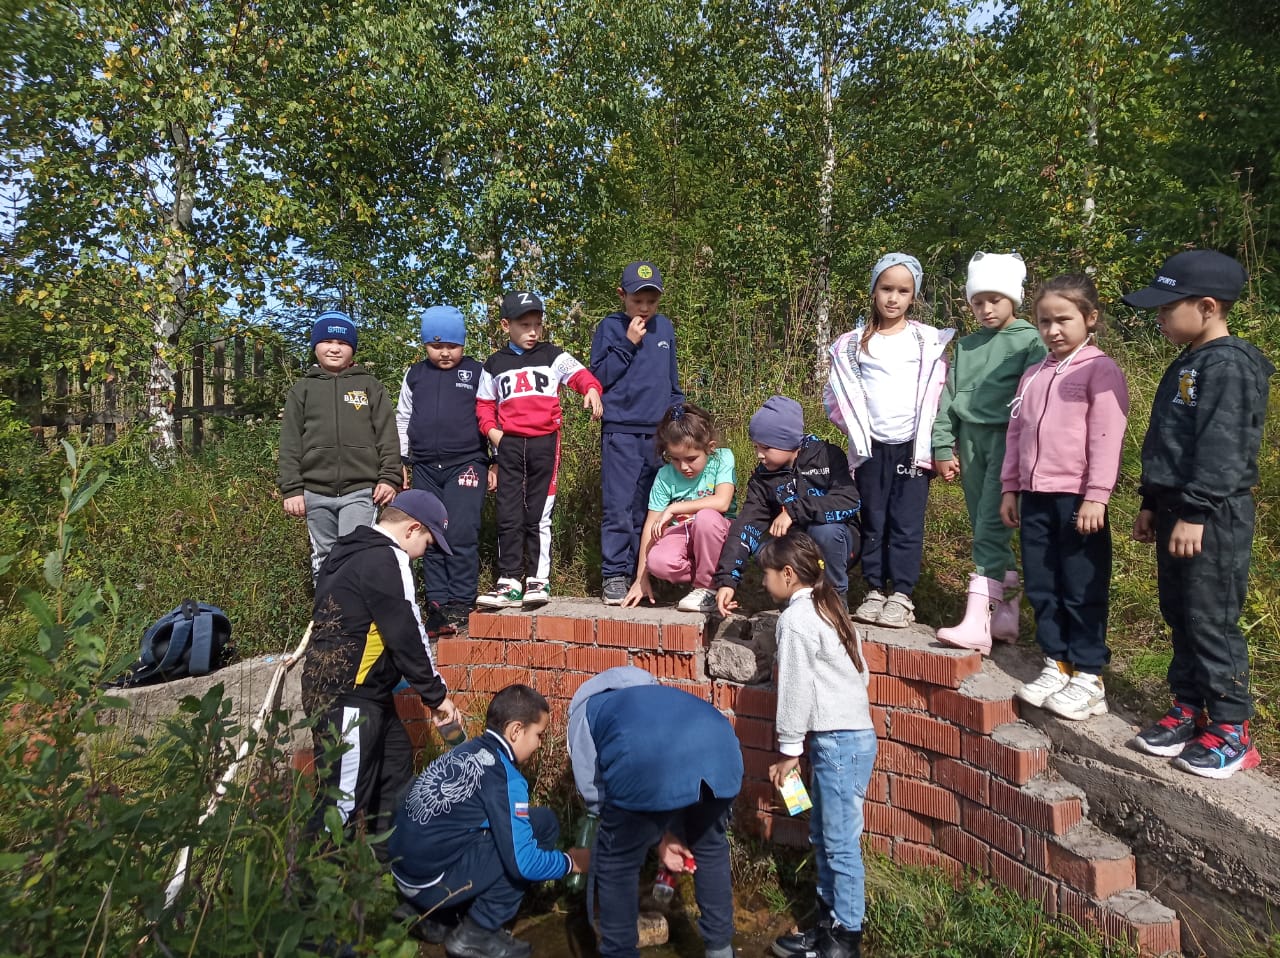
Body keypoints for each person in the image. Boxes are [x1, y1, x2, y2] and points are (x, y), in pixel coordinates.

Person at [1122, 250, 1273, 779]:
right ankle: (1190, 707)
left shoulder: (1230, 365)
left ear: (1207, 307)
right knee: (1180, 611)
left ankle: (1232, 729)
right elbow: (1169, 442)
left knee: (1211, 617)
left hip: (1212, 515)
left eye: (1168, 308)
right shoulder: (1189, 360)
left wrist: (1196, 511)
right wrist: (1150, 501)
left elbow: (1222, 448)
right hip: (1175, 507)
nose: (1160, 317)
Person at [999, 275, 1129, 720]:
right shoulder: (1033, 374)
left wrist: (1097, 496)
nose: (1053, 330)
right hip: (1034, 497)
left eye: (1063, 320)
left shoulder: (1099, 370)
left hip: (1077, 499)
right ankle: (1057, 663)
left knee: (1081, 587)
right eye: (1044, 322)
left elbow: (1107, 437)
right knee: (1042, 585)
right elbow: (1016, 433)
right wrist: (1010, 487)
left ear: (1090, 318)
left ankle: (1089, 677)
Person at [302, 489, 460, 842]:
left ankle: (385, 868)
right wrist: (436, 696)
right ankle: (311, 874)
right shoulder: (388, 558)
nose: (425, 553)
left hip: (360, 695)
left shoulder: (347, 553)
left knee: (394, 778)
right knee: (340, 803)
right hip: (349, 698)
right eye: (428, 542)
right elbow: (406, 631)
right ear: (412, 528)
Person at [388, 684, 589, 957]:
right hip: (430, 884)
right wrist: (572, 862)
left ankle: (436, 917)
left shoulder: (467, 750)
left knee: (539, 821)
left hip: (405, 875)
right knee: (533, 837)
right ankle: (478, 932)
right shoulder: (505, 779)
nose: (540, 744)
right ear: (516, 731)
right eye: (538, 735)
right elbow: (524, 864)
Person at [567, 666, 742, 958]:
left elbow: (595, 794)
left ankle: (618, 953)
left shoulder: (587, 711)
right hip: (722, 748)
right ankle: (721, 951)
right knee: (709, 846)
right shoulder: (660, 696)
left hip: (645, 764)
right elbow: (678, 771)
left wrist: (626, 833)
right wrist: (664, 836)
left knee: (617, 861)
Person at [825, 253, 954, 628]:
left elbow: (940, 392)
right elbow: (834, 395)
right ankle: (874, 589)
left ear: (913, 295)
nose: (893, 298)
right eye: (886, 289)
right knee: (874, 519)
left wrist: (941, 443)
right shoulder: (853, 344)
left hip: (912, 447)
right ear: (874, 291)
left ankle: (902, 594)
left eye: (903, 291)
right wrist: (854, 429)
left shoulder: (926, 341)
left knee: (906, 523)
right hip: (871, 450)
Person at [762, 533, 876, 958]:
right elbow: (862, 674)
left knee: (840, 843)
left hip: (838, 742)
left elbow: (795, 690)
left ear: (788, 574)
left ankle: (845, 938)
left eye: (767, 574)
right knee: (824, 835)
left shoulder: (796, 620)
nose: (763, 582)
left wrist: (789, 751)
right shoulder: (830, 607)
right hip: (848, 738)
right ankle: (828, 925)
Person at [932, 252, 1047, 654]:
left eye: (995, 300)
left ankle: (977, 622)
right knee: (983, 523)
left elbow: (1035, 399)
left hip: (1007, 441)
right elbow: (948, 399)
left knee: (990, 527)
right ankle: (1005, 616)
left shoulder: (1031, 340)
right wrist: (943, 444)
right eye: (978, 301)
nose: (986, 309)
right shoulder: (967, 346)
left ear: (1013, 298)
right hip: (970, 444)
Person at [476, 291, 603, 609]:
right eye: (525, 325)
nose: (533, 331)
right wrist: (493, 433)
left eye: (537, 324)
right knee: (508, 513)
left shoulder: (553, 355)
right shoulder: (494, 364)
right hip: (509, 444)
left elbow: (581, 375)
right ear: (506, 325)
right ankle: (509, 581)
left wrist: (590, 390)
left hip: (544, 443)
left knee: (538, 513)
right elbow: (484, 404)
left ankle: (537, 579)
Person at [279, 310, 401, 582]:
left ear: (353, 349)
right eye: (327, 341)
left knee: (354, 552)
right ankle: (326, 607)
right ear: (315, 346)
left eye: (343, 343)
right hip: (314, 491)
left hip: (361, 489)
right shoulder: (302, 390)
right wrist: (292, 489)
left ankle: (353, 608)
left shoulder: (369, 386)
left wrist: (389, 477)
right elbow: (289, 442)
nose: (334, 348)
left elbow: (387, 435)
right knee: (324, 555)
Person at [396, 305, 494, 638]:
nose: (445, 352)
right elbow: (403, 418)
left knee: (461, 532)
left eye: (452, 345)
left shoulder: (477, 372)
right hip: (425, 466)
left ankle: (462, 601)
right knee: (429, 534)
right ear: (425, 344)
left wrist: (495, 461)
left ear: (463, 344)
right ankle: (437, 603)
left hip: (467, 463)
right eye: (436, 346)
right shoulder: (415, 375)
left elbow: (491, 415)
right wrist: (401, 460)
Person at [714, 395, 861, 617]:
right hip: (797, 545)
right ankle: (794, 606)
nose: (759, 455)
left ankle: (834, 602)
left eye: (766, 448)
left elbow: (849, 500)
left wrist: (793, 511)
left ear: (789, 442)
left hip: (838, 543)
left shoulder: (828, 456)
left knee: (825, 531)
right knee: (764, 548)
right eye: (756, 447)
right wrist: (727, 580)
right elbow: (745, 527)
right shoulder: (762, 479)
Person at [591, 261, 685, 605]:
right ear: (622, 295)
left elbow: (672, 382)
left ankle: (641, 575)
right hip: (621, 431)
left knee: (650, 509)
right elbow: (598, 378)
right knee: (619, 507)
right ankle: (614, 574)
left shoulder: (665, 328)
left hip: (658, 434)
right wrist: (628, 343)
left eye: (651, 301)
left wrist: (676, 418)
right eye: (637, 301)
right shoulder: (610, 327)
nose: (645, 308)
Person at [621, 402, 736, 614]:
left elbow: (722, 502)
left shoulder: (722, 458)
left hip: (717, 531)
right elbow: (651, 526)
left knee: (706, 519)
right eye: (674, 459)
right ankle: (710, 575)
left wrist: (675, 508)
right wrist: (640, 578)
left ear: (710, 447)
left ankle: (707, 588)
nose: (683, 467)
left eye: (691, 459)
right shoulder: (665, 476)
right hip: (682, 533)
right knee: (658, 562)